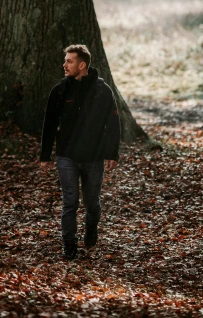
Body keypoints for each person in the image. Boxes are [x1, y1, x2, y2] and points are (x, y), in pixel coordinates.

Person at [40, 44, 121, 260]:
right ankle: (69, 244)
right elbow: (49, 125)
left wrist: (112, 153)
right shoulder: (59, 91)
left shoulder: (103, 91)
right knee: (70, 201)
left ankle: (91, 229)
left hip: (93, 157)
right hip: (67, 156)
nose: (64, 64)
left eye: (69, 61)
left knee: (92, 203)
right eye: (65, 60)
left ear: (82, 64)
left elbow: (113, 123)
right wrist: (45, 156)